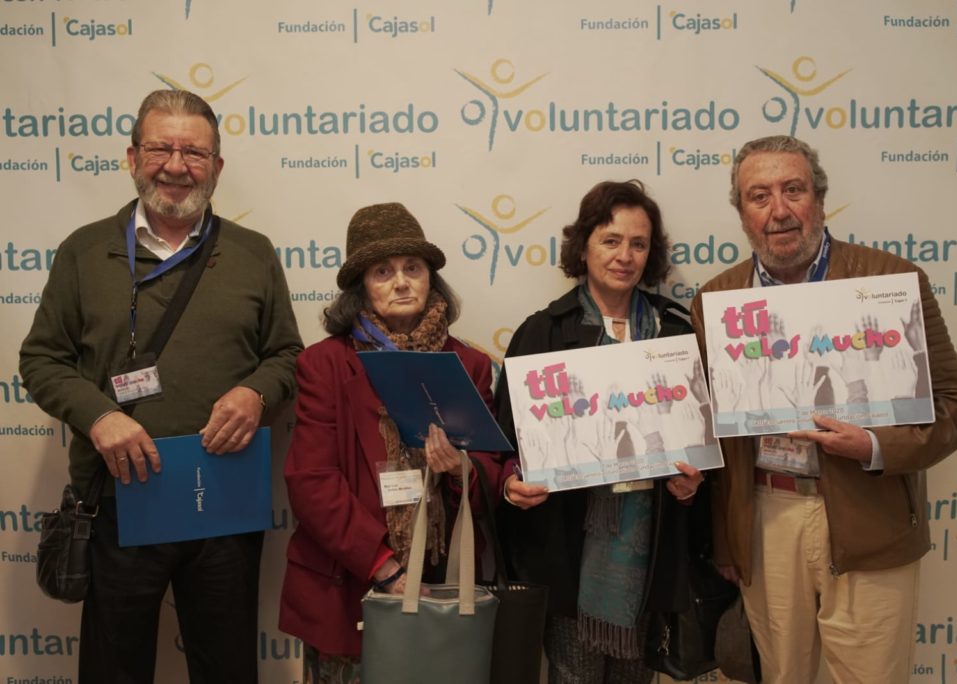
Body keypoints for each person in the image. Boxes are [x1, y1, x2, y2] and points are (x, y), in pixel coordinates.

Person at [19, 89, 303, 683]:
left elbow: (285, 357)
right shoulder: (84, 251)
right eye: (161, 148)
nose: (176, 165)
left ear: (218, 167)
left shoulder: (253, 255)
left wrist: (256, 394)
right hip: (121, 503)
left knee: (226, 668)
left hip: (223, 500)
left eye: (194, 152)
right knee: (113, 668)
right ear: (131, 157)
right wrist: (99, 416)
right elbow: (42, 360)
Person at [690, 135, 957, 683]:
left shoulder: (891, 283)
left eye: (793, 190)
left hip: (869, 518)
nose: (779, 210)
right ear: (742, 214)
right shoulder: (716, 301)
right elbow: (714, 434)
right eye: (759, 196)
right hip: (766, 521)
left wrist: (872, 446)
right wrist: (728, 539)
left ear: (819, 200)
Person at [278, 202, 504, 683]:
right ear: (362, 285)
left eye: (412, 268)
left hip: (443, 585)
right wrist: (384, 566)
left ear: (430, 279)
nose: (401, 282)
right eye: (383, 271)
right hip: (349, 585)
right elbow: (312, 482)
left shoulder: (471, 365)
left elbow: (490, 472)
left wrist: (459, 470)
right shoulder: (324, 364)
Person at [495, 180, 707, 683]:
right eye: (611, 240)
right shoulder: (542, 332)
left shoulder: (675, 335)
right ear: (584, 245)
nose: (625, 255)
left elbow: (704, 445)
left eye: (638, 243)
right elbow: (503, 442)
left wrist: (693, 484)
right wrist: (509, 481)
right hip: (568, 554)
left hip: (650, 557)